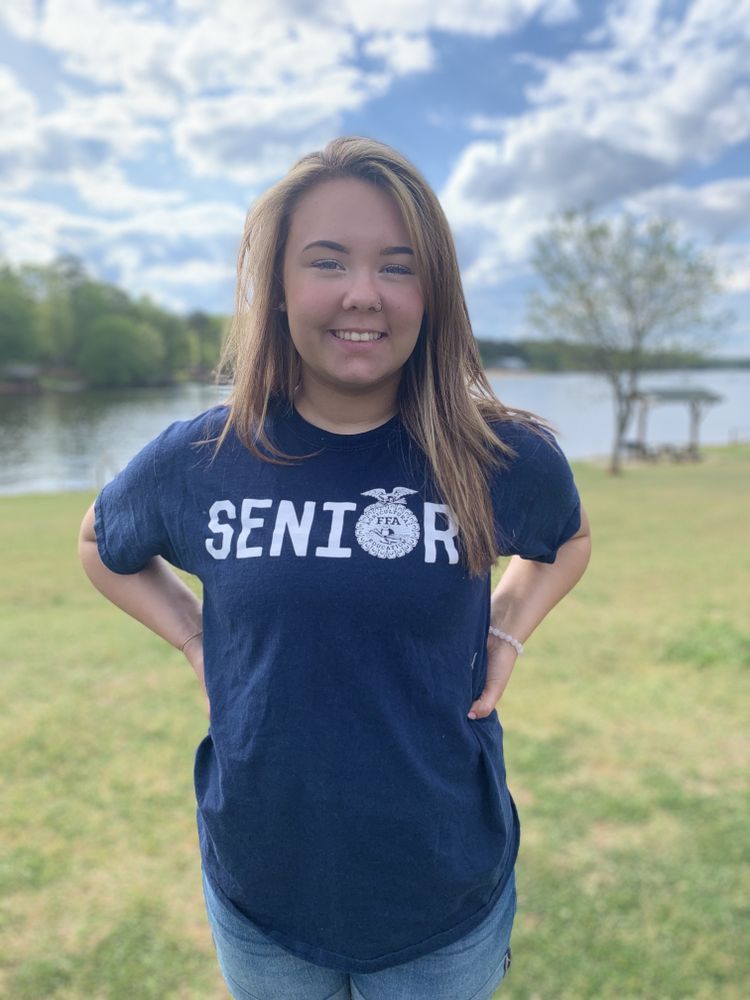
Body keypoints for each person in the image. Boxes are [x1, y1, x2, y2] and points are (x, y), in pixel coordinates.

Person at [79, 136, 591, 1000]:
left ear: (434, 293)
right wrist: (200, 641)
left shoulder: (498, 454)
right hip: (262, 887)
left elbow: (566, 542)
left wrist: (507, 626)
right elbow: (102, 543)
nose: (363, 293)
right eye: (328, 261)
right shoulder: (204, 457)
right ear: (277, 289)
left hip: (441, 891)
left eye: (398, 266)